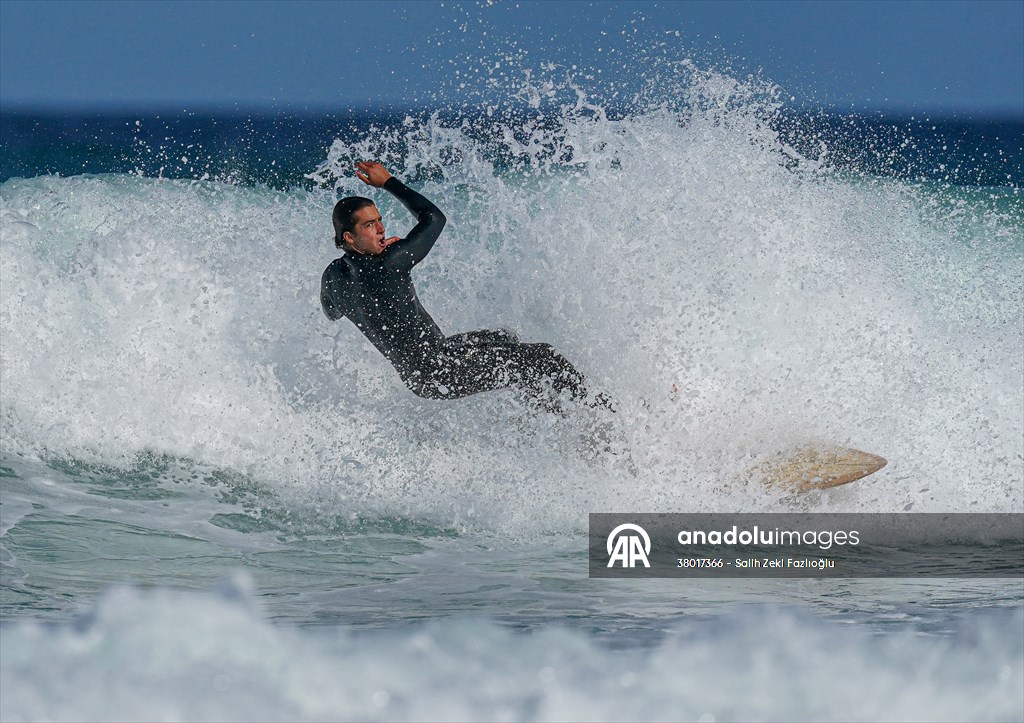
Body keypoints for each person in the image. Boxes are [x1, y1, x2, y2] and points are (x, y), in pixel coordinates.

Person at [320, 161, 607, 412]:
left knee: (504, 337)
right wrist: (388, 182)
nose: (381, 229)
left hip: (423, 370)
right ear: (349, 237)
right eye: (370, 225)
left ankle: (551, 409)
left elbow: (331, 312)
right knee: (545, 356)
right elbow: (433, 219)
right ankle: (605, 415)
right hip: (444, 370)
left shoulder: (333, 277)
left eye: (380, 221)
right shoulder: (390, 263)